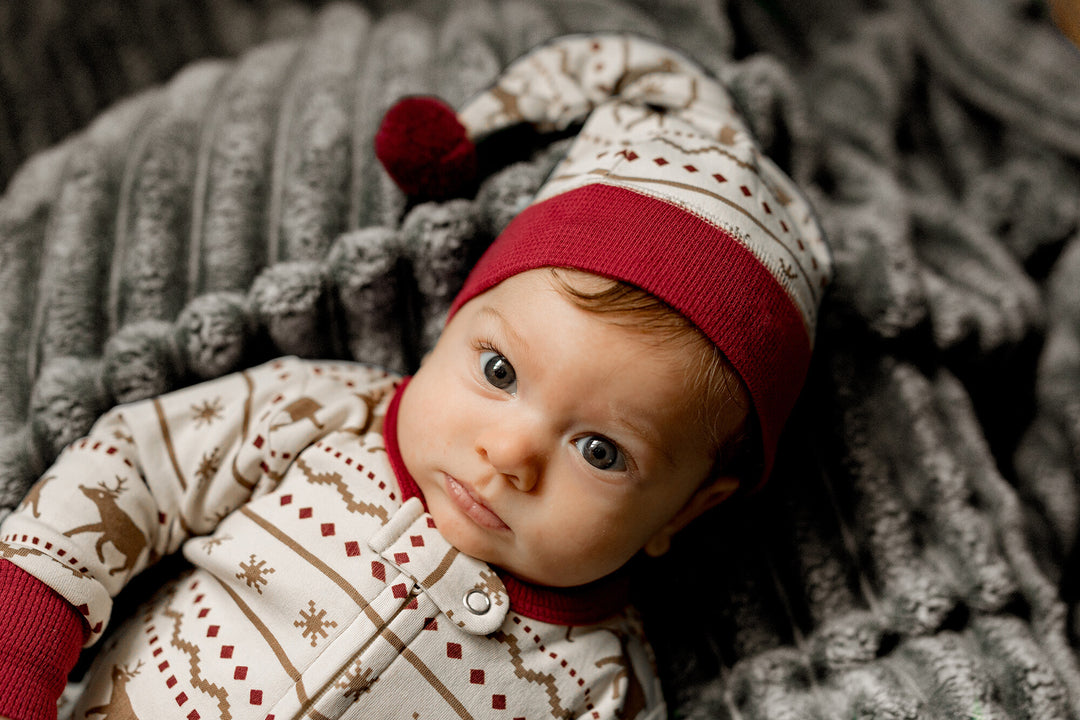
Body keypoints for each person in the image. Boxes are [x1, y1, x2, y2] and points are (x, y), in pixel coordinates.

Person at [0, 32, 831, 720]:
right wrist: (24, 651)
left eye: (602, 451)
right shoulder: (316, 415)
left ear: (687, 509)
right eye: (500, 370)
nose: (510, 454)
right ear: (446, 327)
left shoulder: (604, 686)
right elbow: (130, 470)